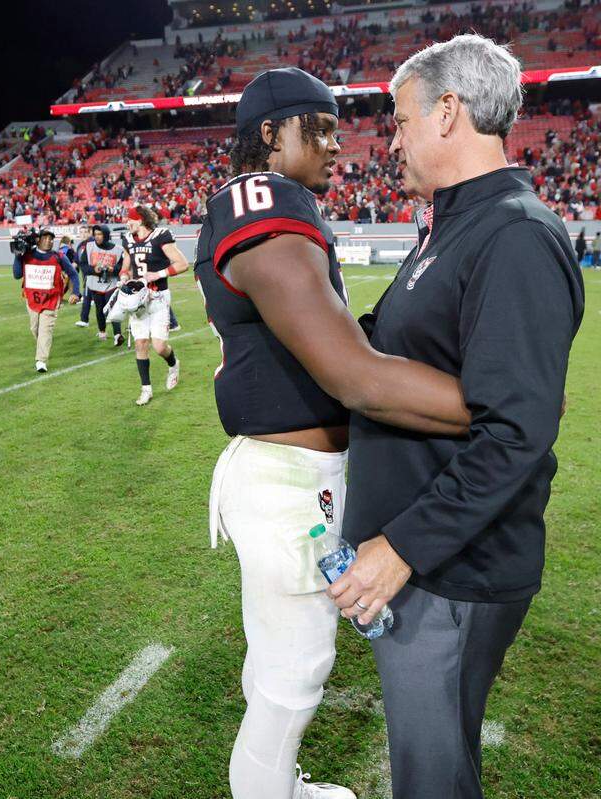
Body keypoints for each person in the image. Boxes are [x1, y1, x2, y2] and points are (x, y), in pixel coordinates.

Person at [196, 66, 471, 799]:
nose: (338, 144)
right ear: (268, 133)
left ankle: (278, 784)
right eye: (318, 127)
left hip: (288, 473)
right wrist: (500, 406)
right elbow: (356, 377)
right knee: (294, 673)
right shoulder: (265, 204)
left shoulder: (268, 205)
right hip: (286, 482)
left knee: (279, 658)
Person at [327, 35, 584, 799]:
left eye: (400, 119)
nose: (392, 138)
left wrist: (402, 546)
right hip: (433, 562)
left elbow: (516, 432)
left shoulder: (513, 234)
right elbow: (385, 351)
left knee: (433, 781)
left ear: (448, 113)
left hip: (454, 570)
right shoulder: (457, 222)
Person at [120, 206, 188, 405]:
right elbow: (126, 266)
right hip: (138, 298)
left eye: (130, 219)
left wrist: (158, 274)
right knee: (141, 343)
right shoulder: (128, 240)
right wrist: (123, 276)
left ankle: (173, 364)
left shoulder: (160, 236)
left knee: (159, 347)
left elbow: (182, 263)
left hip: (158, 296)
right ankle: (146, 389)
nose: (127, 223)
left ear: (140, 220)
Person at [12, 228, 81, 372]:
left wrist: (75, 292)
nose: (48, 241)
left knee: (45, 330)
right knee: (35, 329)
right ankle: (44, 345)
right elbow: (17, 275)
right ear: (38, 239)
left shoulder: (59, 256)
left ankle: (41, 361)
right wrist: (18, 256)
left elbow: (73, 274)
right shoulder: (28, 255)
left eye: (51, 238)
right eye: (45, 238)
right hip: (32, 299)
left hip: (51, 299)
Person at [78, 224, 124, 344]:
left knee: (112, 309)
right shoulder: (89, 246)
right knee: (99, 309)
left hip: (111, 284)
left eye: (100, 234)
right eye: (96, 234)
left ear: (106, 235)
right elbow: (82, 265)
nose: (97, 237)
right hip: (95, 284)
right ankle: (102, 330)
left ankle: (117, 334)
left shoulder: (118, 249)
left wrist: (112, 269)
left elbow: (121, 267)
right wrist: (94, 270)